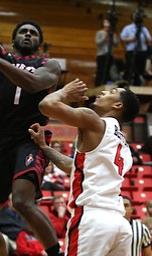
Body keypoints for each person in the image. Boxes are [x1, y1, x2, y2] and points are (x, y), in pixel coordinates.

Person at [0, 0, 62, 255]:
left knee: (22, 201)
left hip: (30, 137)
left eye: (33, 33)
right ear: (13, 39)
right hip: (1, 141)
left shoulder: (48, 65)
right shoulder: (1, 57)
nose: (28, 35)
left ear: (39, 42)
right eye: (23, 31)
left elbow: (33, 84)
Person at [29, 79, 140, 255]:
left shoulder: (93, 120)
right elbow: (75, 168)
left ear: (118, 105)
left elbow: (46, 105)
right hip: (120, 224)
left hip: (93, 218)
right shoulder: (124, 146)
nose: (103, 92)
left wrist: (65, 92)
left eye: (111, 92)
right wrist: (44, 148)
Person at [120, 9, 152, 86]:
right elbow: (122, 38)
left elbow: (149, 40)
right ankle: (126, 85)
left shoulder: (144, 28)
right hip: (131, 51)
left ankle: (137, 85)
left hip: (142, 51)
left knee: (139, 70)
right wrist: (132, 38)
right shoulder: (128, 27)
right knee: (129, 69)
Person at [95, 18, 119, 86]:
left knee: (109, 70)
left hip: (110, 54)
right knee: (100, 70)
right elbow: (98, 43)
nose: (107, 23)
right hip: (101, 54)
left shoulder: (112, 34)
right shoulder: (99, 32)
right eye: (105, 22)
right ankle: (98, 85)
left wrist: (117, 38)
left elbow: (115, 44)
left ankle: (108, 84)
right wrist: (104, 38)